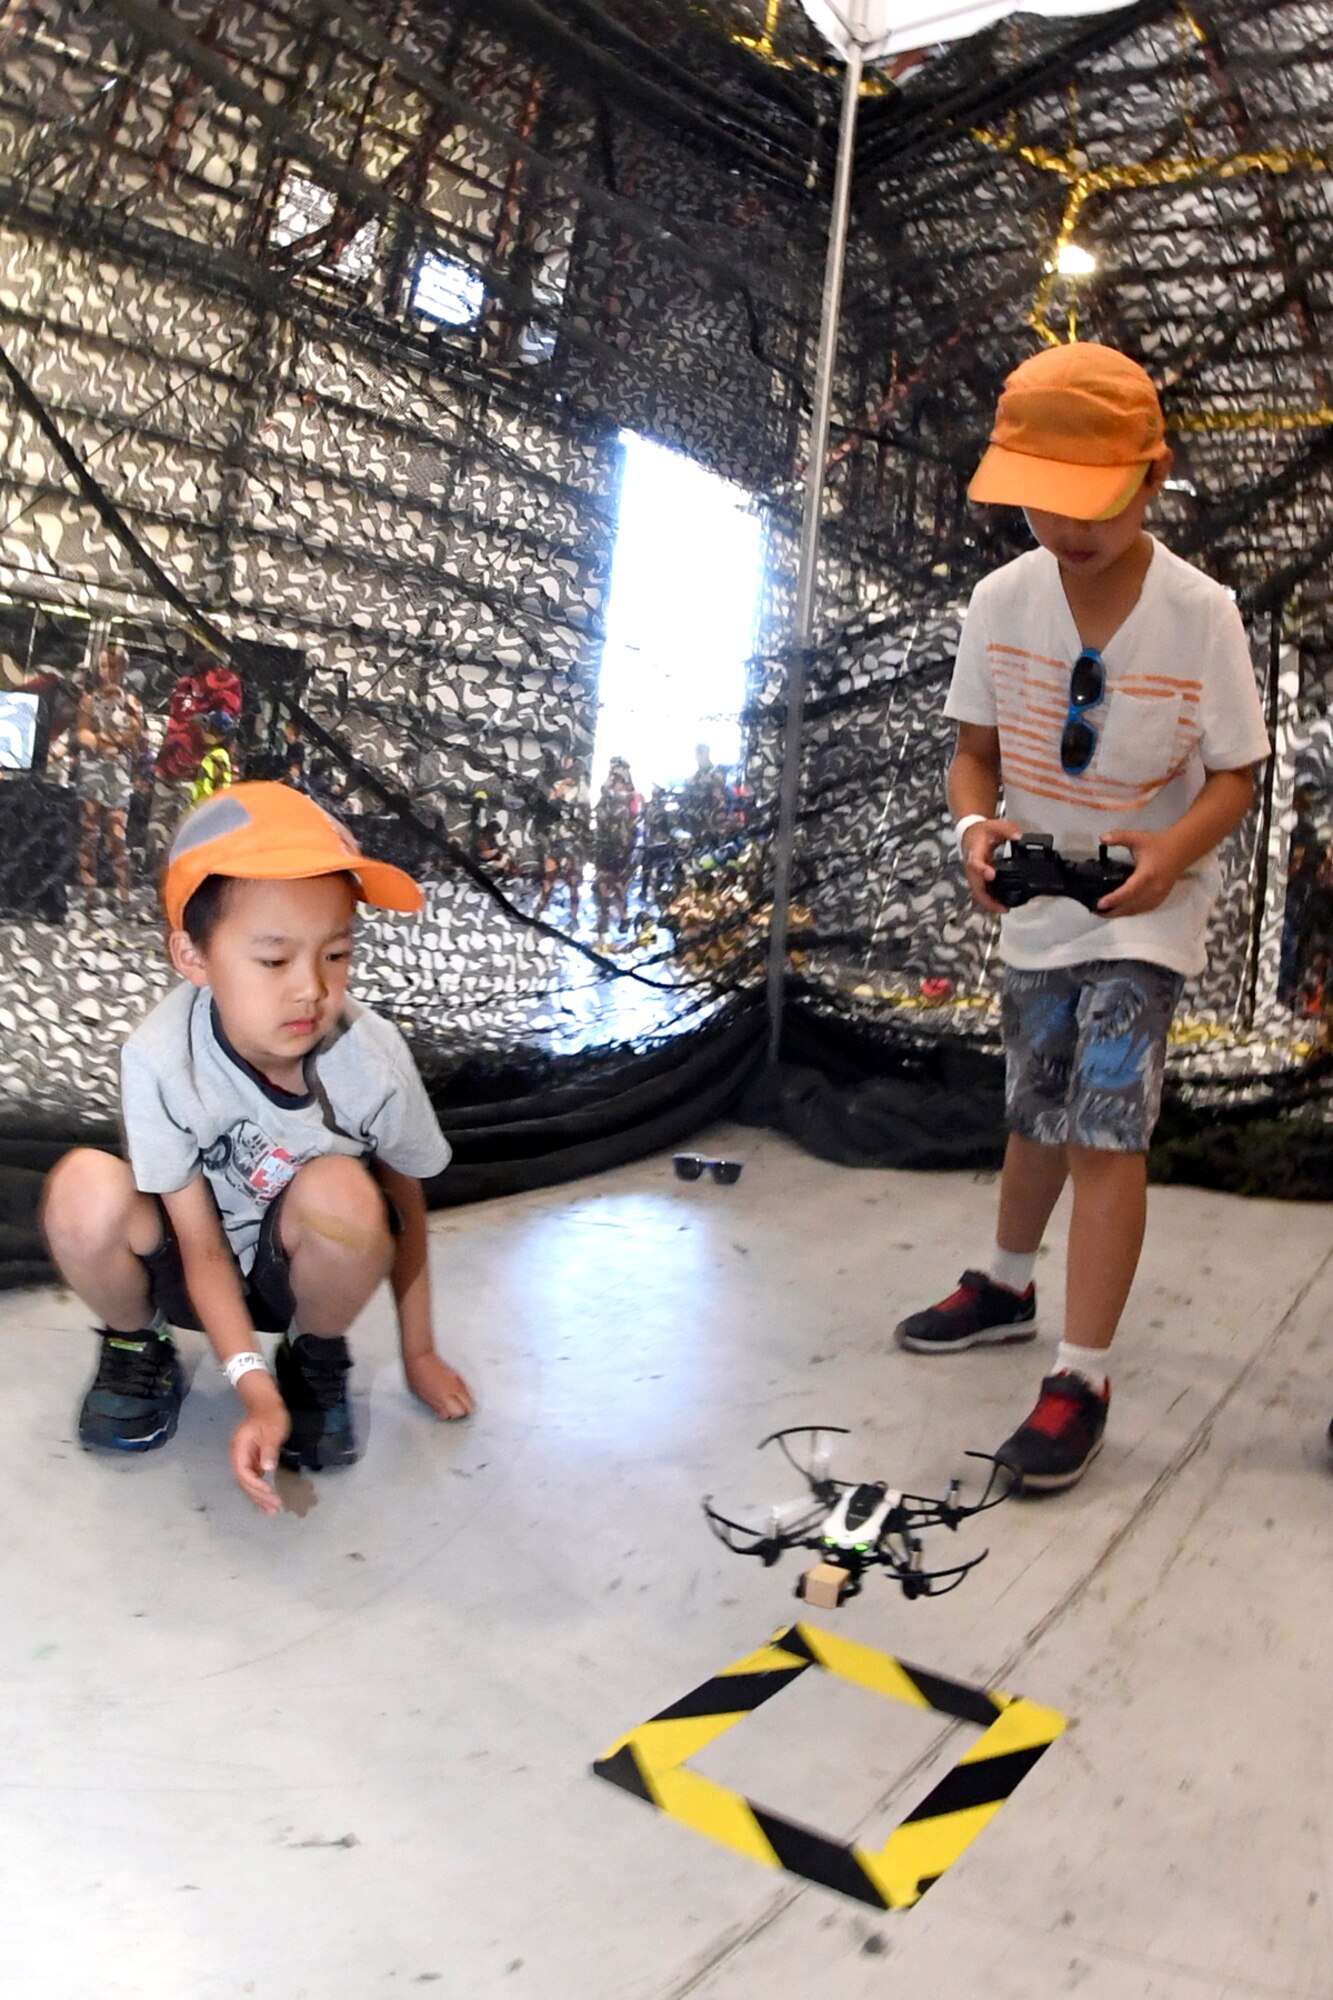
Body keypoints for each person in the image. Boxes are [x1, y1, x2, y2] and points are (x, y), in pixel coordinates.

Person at [895, 342, 1270, 1492]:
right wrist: (975, 833)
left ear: (1152, 478)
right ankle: (1007, 1282)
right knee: (1036, 1109)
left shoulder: (1199, 612)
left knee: (1107, 1121)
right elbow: (973, 756)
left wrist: (1168, 853)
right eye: (1042, 502)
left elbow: (1236, 775)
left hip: (1141, 911)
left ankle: (1081, 1374)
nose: (1066, 527)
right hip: (1040, 910)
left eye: (1092, 503)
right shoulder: (998, 601)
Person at [41, 782, 474, 1516]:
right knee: (82, 1190)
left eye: (336, 954)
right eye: (274, 960)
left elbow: (404, 1205)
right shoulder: (157, 1055)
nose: (311, 989)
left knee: (345, 1192)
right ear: (193, 954)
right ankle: (134, 1348)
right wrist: (249, 1384)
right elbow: (201, 1248)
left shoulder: (373, 1057)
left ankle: (314, 1355)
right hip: (190, 1261)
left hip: (295, 1272)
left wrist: (420, 1351)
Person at [146, 647, 243, 868]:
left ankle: (180, 883)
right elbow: (174, 720)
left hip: (197, 771)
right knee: (156, 831)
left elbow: (225, 727)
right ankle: (157, 881)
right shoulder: (183, 685)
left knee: (185, 835)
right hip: (168, 766)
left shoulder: (227, 684)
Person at [73, 641, 143, 914]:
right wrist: (104, 740)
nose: (108, 671)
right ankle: (89, 893)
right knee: (89, 831)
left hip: (119, 774)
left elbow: (137, 738)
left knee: (117, 833)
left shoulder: (131, 703)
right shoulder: (90, 701)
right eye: (103, 665)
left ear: (123, 668)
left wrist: (124, 737)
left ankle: (123, 895)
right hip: (93, 770)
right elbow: (82, 734)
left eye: (112, 665)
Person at [190, 710, 237, 804]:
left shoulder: (218, 756)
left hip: (208, 812)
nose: (203, 731)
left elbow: (219, 788)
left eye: (208, 728)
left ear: (221, 736)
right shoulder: (213, 753)